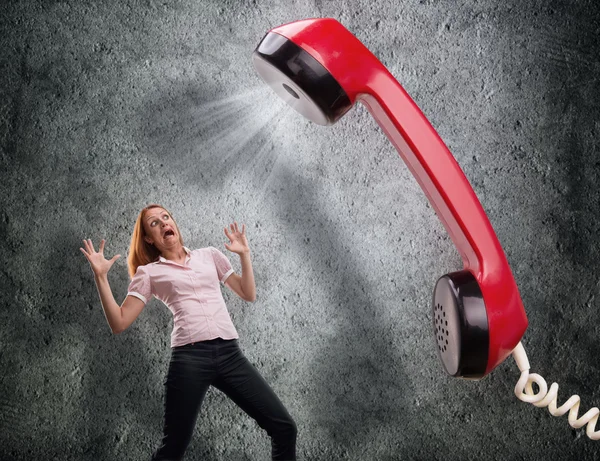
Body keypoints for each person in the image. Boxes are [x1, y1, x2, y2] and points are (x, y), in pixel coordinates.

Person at [80, 204, 297, 460]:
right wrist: (101, 277)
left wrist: (244, 254)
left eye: (166, 217)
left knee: (284, 428)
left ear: (174, 224)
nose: (163, 224)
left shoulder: (210, 256)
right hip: (190, 360)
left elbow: (248, 293)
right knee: (174, 447)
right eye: (154, 223)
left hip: (230, 355)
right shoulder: (149, 273)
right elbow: (119, 322)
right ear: (149, 239)